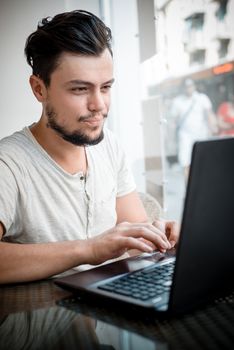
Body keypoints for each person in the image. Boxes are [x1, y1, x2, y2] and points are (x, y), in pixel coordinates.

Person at [0, 10, 179, 284]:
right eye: (80, 89)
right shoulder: (8, 164)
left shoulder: (110, 146)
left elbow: (134, 240)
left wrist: (157, 235)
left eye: (105, 87)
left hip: (108, 314)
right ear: (39, 89)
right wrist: (89, 249)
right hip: (43, 318)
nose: (99, 105)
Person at [170, 78, 218, 178]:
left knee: (203, 163)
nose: (189, 88)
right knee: (185, 164)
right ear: (183, 88)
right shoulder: (178, 101)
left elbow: (209, 114)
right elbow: (173, 120)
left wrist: (213, 127)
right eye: (186, 86)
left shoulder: (202, 98)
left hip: (201, 135)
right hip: (185, 137)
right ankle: (188, 190)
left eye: (190, 86)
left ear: (194, 86)